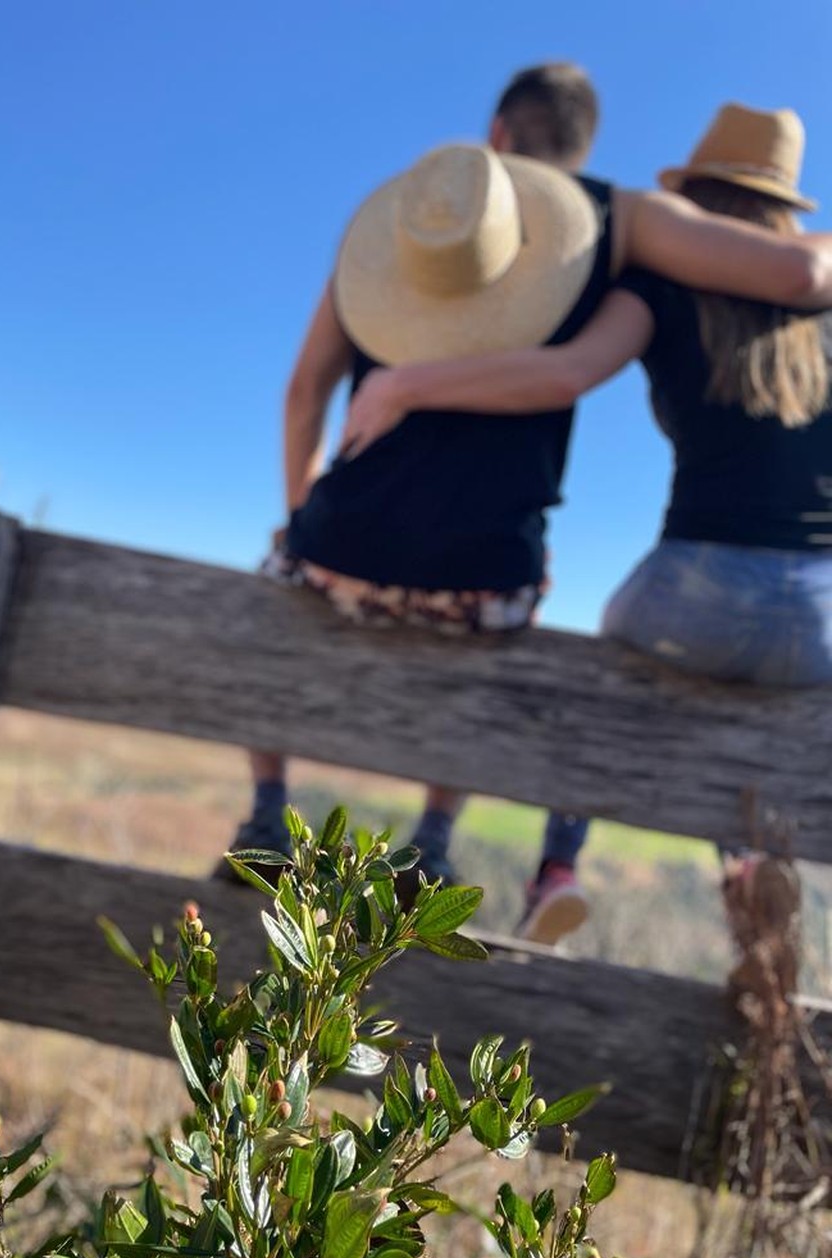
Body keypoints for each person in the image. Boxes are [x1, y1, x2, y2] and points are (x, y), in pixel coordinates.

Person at [212, 69, 832, 899]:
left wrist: (307, 512)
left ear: (496, 135)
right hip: (489, 582)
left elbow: (304, 396)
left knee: (282, 603)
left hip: (336, 553)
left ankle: (268, 815)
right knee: (531, 641)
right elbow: (794, 276)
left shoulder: (391, 224)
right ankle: (436, 843)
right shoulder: (623, 222)